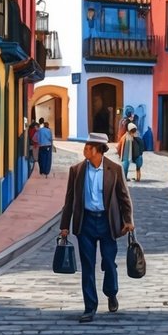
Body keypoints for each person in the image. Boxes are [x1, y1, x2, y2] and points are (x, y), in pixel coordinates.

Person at [60, 133, 135, 322]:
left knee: (109, 262)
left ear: (98, 150)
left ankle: (111, 292)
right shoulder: (76, 170)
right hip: (85, 223)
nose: (84, 150)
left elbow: (124, 198)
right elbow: (69, 200)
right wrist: (64, 226)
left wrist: (128, 221)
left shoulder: (114, 170)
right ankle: (89, 307)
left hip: (107, 222)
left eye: (87, 147)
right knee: (87, 265)